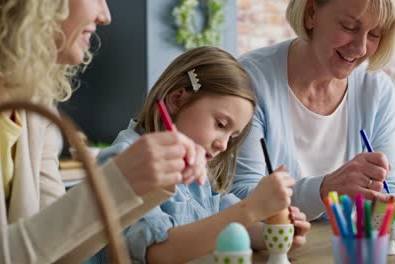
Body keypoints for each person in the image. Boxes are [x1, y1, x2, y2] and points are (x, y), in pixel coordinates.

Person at [0, 0, 207, 262]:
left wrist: (142, 188)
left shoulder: (36, 102)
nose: (105, 15)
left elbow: (58, 253)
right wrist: (116, 183)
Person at [88, 46, 311, 263]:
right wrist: (251, 207)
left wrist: (275, 234)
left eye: (232, 136)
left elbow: (228, 223)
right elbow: (158, 253)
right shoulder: (124, 159)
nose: (224, 145)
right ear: (177, 99)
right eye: (220, 124)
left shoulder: (195, 172)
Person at [231, 0, 395, 239]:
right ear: (311, 14)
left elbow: (390, 187)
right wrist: (323, 190)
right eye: (349, 26)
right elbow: (240, 197)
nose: (360, 48)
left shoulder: (376, 89)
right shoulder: (251, 80)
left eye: (375, 34)